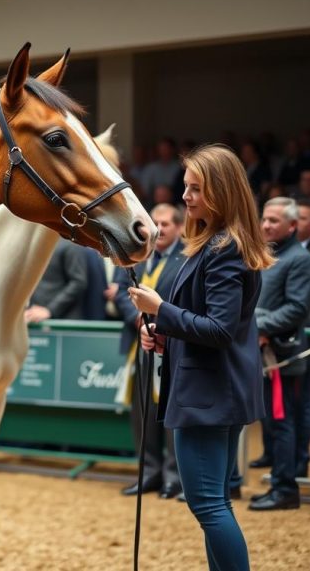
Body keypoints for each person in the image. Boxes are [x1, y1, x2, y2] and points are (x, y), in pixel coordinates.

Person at [130, 144, 272, 571]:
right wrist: (165, 334)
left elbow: (220, 330)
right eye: (187, 187)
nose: (185, 196)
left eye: (196, 189)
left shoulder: (224, 248)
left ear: (223, 192)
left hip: (208, 395)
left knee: (208, 505)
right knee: (213, 505)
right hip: (213, 389)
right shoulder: (212, 241)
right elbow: (207, 324)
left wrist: (161, 311)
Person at [114, 204, 187, 499]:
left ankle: (173, 477)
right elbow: (120, 290)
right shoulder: (136, 255)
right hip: (139, 343)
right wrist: (136, 318)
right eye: (155, 222)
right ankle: (149, 473)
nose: (160, 227)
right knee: (142, 413)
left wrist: (160, 322)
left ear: (179, 227)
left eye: (166, 223)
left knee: (168, 412)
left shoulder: (187, 258)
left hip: (172, 344)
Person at [247, 197, 310, 511]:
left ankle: (285, 489)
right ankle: (277, 482)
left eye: (274, 220)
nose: (267, 225)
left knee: (283, 422)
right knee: (271, 424)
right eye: (265, 219)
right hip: (260, 350)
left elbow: (298, 308)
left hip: (282, 354)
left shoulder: (299, 258)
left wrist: (255, 325)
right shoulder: (265, 254)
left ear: (293, 225)